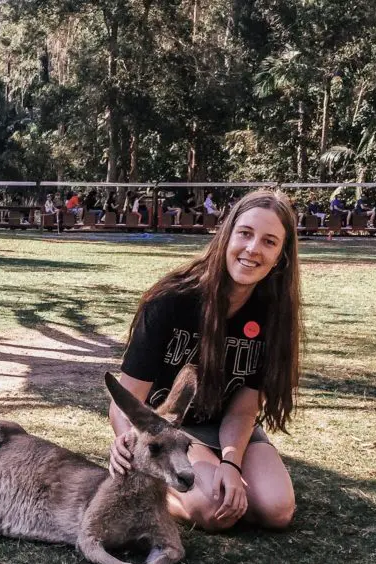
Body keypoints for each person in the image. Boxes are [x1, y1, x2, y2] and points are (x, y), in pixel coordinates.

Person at [109, 188, 300, 532]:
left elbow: (243, 410)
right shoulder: (171, 301)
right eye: (245, 234)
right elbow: (127, 399)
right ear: (226, 236)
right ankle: (149, 478)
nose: (253, 249)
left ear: (281, 256)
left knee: (276, 510)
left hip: (229, 429)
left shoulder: (274, 315)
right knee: (212, 510)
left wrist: (231, 464)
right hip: (170, 429)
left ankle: (206, 471)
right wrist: (133, 447)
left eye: (269, 241)